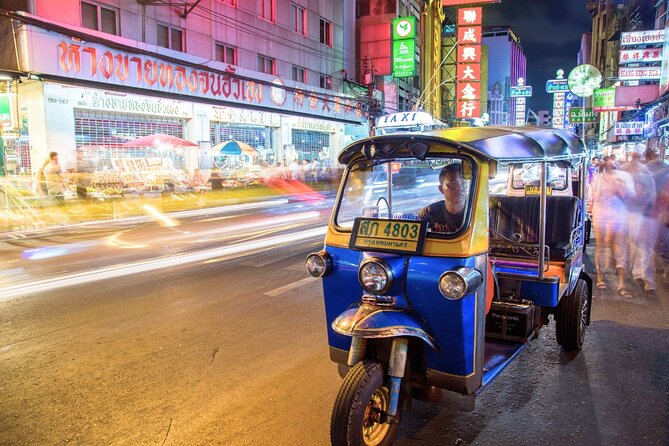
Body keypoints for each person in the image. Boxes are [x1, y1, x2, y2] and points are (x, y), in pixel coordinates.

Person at [591, 161, 634, 296]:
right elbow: (595, 196)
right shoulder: (598, 179)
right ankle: (600, 276)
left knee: (619, 247)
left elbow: (631, 196)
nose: (610, 169)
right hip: (601, 214)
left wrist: (619, 190)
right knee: (600, 245)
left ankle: (622, 283)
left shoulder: (624, 178)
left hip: (618, 215)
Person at [418, 163, 467, 233]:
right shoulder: (429, 213)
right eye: (453, 184)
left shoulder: (478, 213)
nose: (460, 188)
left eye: (464, 184)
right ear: (441, 189)